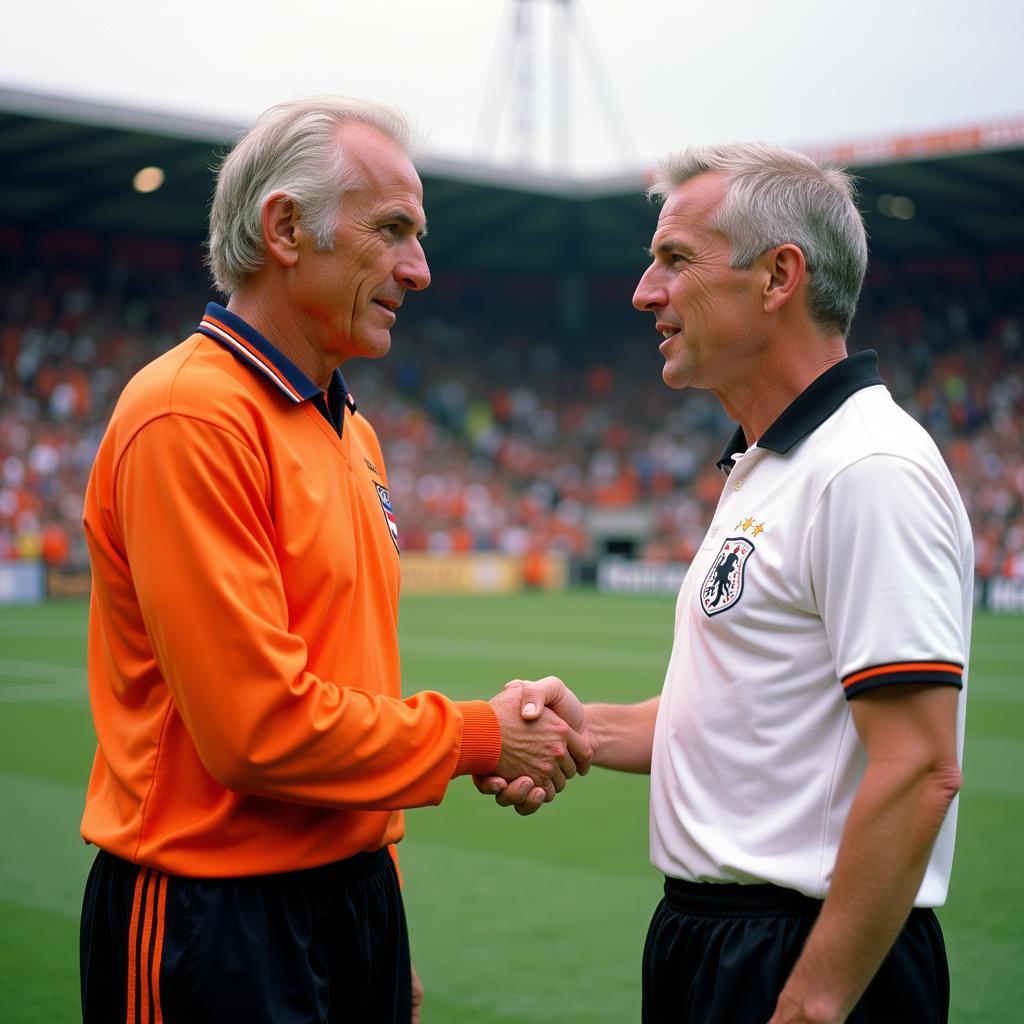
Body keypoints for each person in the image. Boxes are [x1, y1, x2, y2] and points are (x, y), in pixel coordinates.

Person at [79, 95, 589, 1024]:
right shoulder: (190, 413)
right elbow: (256, 730)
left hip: (346, 902)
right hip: (213, 915)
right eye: (393, 230)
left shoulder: (351, 430)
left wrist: (376, 902)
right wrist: (482, 736)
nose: (421, 270)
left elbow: (347, 679)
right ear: (284, 228)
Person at [484, 143, 972, 1023]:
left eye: (675, 259)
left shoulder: (869, 467)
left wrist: (813, 1005)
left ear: (778, 276)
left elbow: (920, 765)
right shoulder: (771, 462)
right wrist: (579, 727)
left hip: (803, 952)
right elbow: (750, 723)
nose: (644, 291)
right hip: (713, 939)